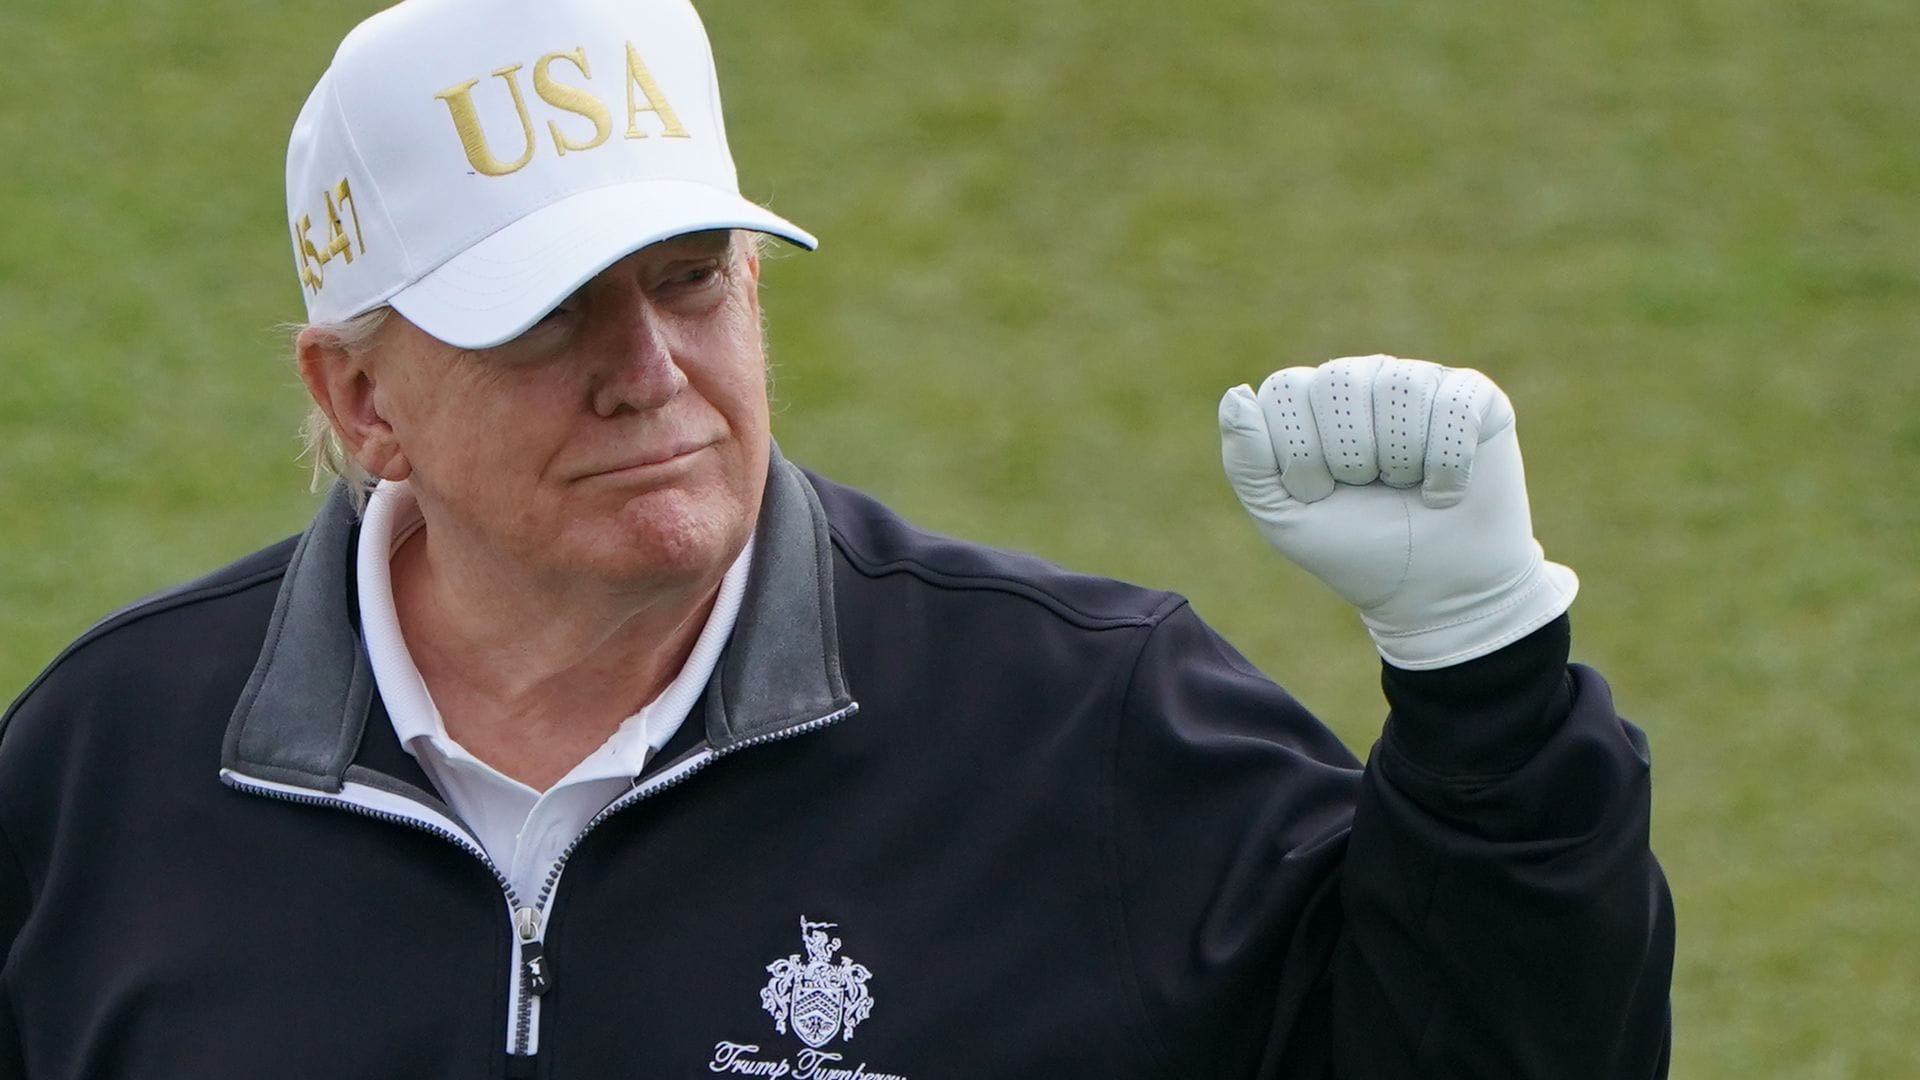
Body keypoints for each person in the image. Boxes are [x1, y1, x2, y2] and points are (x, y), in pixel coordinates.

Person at [0, 0, 1673, 1076]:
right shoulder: (104, 766)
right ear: (363, 398)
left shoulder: (1078, 729)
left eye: (690, 282)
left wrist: (1486, 685)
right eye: (548, 320)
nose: (651, 373)